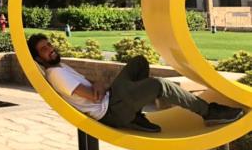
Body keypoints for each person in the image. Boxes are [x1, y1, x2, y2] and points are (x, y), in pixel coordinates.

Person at [27, 33, 244, 132]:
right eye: (44, 49)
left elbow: (95, 84)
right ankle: (209, 113)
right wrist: (99, 85)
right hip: (112, 110)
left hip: (113, 98)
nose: (50, 49)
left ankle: (136, 116)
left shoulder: (60, 66)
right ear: (38, 58)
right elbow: (94, 94)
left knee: (138, 63)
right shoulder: (56, 74)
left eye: (49, 44)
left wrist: (99, 84)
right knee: (159, 85)